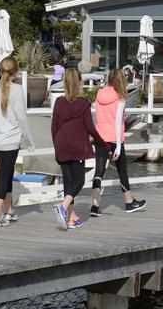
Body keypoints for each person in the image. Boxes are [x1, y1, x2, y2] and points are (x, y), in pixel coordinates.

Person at [51, 68, 109, 230]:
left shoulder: (59, 102)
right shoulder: (83, 103)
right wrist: (105, 145)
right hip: (76, 145)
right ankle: (63, 206)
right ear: (79, 83)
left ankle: (71, 217)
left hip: (61, 143)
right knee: (79, 180)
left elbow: (54, 127)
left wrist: (57, 145)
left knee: (68, 182)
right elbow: (91, 129)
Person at [91, 68, 146, 216]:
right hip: (114, 138)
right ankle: (129, 202)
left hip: (100, 136)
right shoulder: (120, 97)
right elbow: (116, 122)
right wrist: (118, 146)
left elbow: (96, 114)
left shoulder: (99, 94)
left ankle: (95, 206)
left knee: (99, 171)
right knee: (122, 171)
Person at [0, 57, 35, 227]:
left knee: (7, 172)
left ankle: (8, 209)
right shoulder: (17, 90)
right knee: (4, 176)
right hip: (11, 140)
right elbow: (22, 118)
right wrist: (30, 141)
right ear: (15, 71)